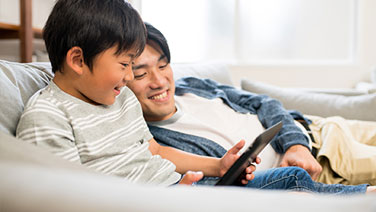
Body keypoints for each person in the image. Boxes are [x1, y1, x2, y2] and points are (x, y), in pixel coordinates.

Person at [15, 0, 373, 194]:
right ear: (78, 60)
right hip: (160, 199)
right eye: (128, 65)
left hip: (185, 188)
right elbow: (66, 194)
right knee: (290, 182)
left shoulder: (118, 97)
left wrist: (217, 167)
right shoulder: (47, 116)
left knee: (291, 183)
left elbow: (153, 151)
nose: (130, 78)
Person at [126, 22, 376, 192]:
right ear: (121, 81)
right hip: (325, 159)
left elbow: (262, 101)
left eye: (162, 66)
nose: (159, 82)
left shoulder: (191, 84)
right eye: (141, 75)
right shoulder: (158, 146)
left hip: (318, 126)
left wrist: (296, 144)